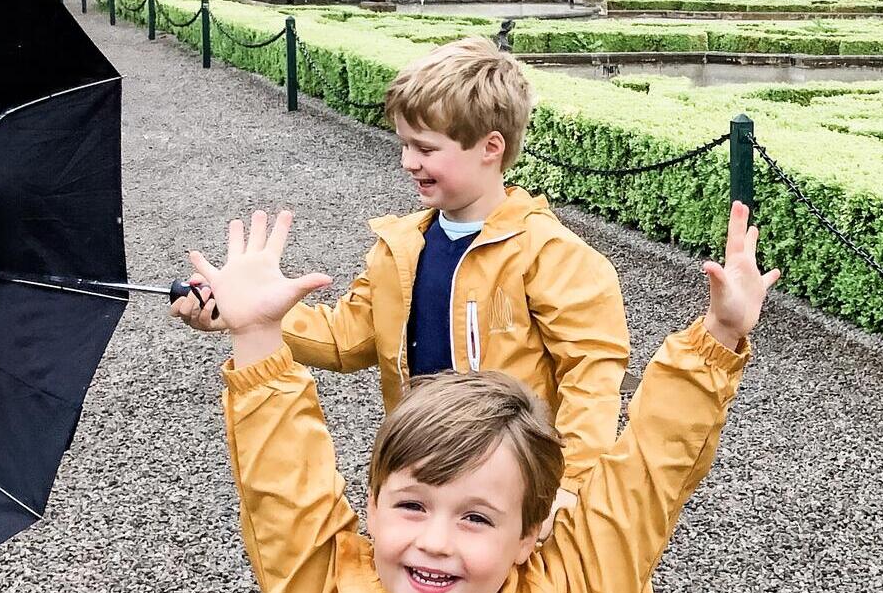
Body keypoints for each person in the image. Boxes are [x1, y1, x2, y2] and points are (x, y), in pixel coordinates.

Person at [191, 202, 775, 593]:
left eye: (475, 517)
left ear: (530, 532)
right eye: (412, 505)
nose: (435, 542)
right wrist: (257, 337)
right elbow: (285, 495)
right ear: (371, 505)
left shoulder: (582, 591)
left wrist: (718, 338)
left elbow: (651, 471)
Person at [173, 37, 630, 506]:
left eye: (426, 148)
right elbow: (347, 337)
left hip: (513, 486)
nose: (408, 162)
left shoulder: (553, 255)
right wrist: (248, 316)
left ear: (491, 147)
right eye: (405, 144)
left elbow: (591, 377)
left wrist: (571, 487)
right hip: (419, 468)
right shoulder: (400, 247)